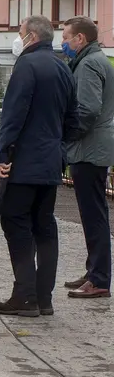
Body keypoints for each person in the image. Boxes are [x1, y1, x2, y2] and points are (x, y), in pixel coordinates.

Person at [0, 16, 80, 317]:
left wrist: (2, 156)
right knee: (45, 227)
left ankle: (24, 296)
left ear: (30, 37)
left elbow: (13, 116)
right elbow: (73, 121)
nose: (17, 39)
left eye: (19, 33)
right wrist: (58, 150)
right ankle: (44, 298)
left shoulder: (25, 66)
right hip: (51, 163)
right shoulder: (62, 68)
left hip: (23, 164)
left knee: (16, 223)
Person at [61, 16, 114, 300]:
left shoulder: (90, 64)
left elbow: (88, 109)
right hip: (92, 147)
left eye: (66, 38)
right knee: (93, 214)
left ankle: (99, 279)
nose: (63, 43)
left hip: (89, 148)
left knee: (93, 215)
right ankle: (94, 270)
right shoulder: (95, 60)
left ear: (80, 39)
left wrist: (68, 135)